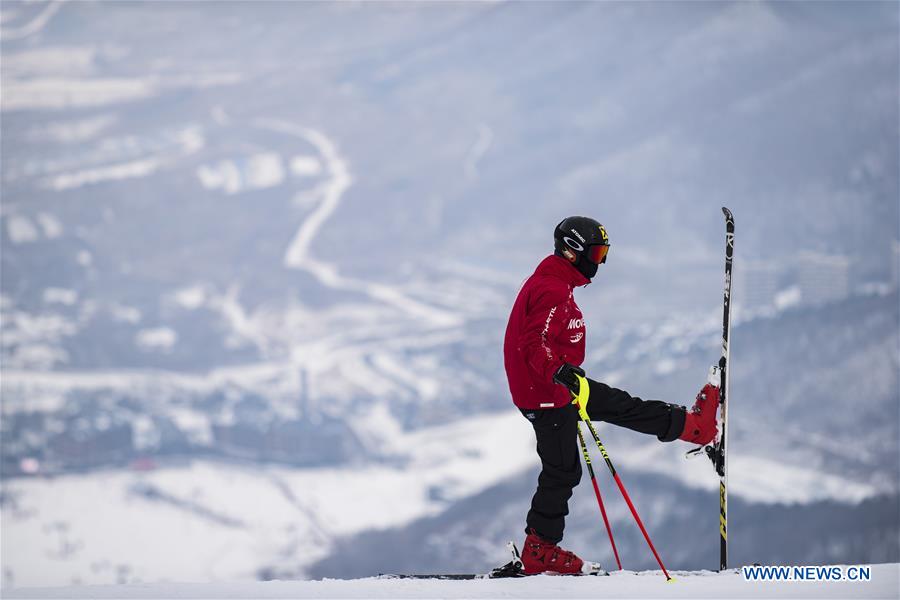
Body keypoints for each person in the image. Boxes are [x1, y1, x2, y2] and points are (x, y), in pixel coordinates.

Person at [503, 216, 720, 575]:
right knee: (563, 470)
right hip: (548, 392)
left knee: (616, 412)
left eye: (604, 254)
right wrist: (557, 370)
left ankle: (693, 427)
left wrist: (561, 371)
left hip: (555, 386)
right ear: (573, 252)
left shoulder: (557, 281)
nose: (600, 262)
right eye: (597, 253)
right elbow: (533, 342)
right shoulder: (553, 289)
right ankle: (539, 551)